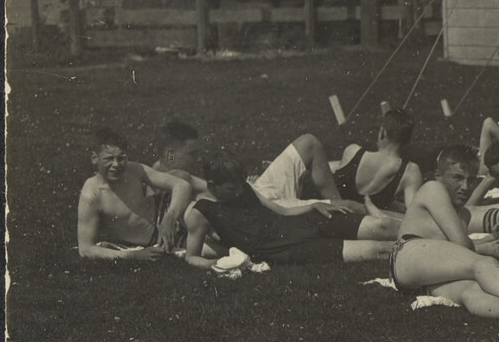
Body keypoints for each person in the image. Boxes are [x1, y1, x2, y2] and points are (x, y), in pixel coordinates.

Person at [390, 146, 499, 327]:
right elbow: (461, 245)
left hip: (423, 277)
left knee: (469, 290)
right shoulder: (433, 188)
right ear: (438, 176)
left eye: (471, 180)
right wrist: (484, 248)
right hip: (408, 255)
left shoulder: (463, 213)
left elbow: (451, 250)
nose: (465, 187)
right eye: (457, 177)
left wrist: (486, 239)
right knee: (483, 264)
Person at [182, 154, 399, 269]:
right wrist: (216, 264)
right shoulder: (202, 212)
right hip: (286, 249)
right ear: (212, 186)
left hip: (298, 224)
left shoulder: (243, 188)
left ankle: (428, 228)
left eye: (240, 185)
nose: (238, 190)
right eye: (231, 188)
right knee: (379, 249)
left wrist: (313, 206)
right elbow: (191, 257)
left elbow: (280, 210)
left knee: (383, 226)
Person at [76, 127, 196, 259]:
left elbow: (182, 185)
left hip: (167, 210)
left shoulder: (133, 169)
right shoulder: (91, 195)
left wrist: (170, 217)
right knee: (209, 249)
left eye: (121, 158)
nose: (116, 164)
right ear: (94, 158)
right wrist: (133, 255)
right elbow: (86, 248)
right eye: (109, 159)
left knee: (203, 219)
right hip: (156, 239)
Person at [331, 107, 422, 215]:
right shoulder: (410, 171)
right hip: (366, 225)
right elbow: (414, 215)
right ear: (407, 140)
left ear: (382, 132)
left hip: (331, 215)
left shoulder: (352, 151)